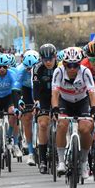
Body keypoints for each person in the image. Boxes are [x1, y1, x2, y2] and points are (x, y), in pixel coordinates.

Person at [51, 47, 95, 179]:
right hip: (64, 101)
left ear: (80, 64)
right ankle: (61, 161)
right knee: (61, 125)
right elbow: (55, 94)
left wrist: (94, 108)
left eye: (76, 65)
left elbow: (92, 93)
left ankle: (84, 162)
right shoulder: (58, 71)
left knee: (85, 128)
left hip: (82, 102)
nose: (72, 69)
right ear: (64, 64)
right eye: (69, 65)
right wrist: (55, 108)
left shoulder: (85, 72)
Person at [32, 44, 58, 174]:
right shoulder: (37, 68)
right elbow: (35, 88)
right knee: (43, 124)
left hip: (58, 96)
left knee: (62, 121)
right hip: (43, 97)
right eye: (45, 59)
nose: (48, 62)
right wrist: (36, 102)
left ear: (55, 57)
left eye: (50, 59)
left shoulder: (61, 66)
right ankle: (42, 159)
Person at [16, 51, 40, 165]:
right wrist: (19, 99)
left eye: (32, 68)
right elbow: (17, 87)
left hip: (38, 89)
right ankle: (31, 152)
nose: (30, 71)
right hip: (26, 90)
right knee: (27, 117)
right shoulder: (20, 70)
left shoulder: (41, 69)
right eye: (27, 68)